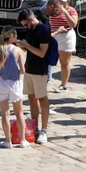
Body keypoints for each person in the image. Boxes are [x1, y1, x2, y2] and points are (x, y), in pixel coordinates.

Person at [16, 8, 57, 145]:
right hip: (29, 69)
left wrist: (27, 45)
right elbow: (30, 48)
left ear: (31, 19)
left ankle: (44, 130)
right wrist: (21, 45)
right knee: (32, 98)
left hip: (40, 70)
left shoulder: (44, 30)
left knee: (43, 100)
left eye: (25, 24)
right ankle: (35, 127)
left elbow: (41, 53)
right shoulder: (30, 29)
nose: (25, 27)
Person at [0, 28, 27, 148]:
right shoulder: (17, 50)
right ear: (12, 36)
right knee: (19, 112)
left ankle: (8, 140)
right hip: (15, 83)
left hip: (1, 82)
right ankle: (22, 140)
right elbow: (22, 71)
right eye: (16, 34)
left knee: (5, 113)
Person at [48, 0, 77, 92]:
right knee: (48, 58)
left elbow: (73, 24)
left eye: (63, 1)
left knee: (64, 62)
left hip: (66, 37)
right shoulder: (54, 9)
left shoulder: (72, 11)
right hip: (55, 35)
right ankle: (47, 78)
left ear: (68, 1)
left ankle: (63, 84)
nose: (60, 3)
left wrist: (64, 12)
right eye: (59, 1)